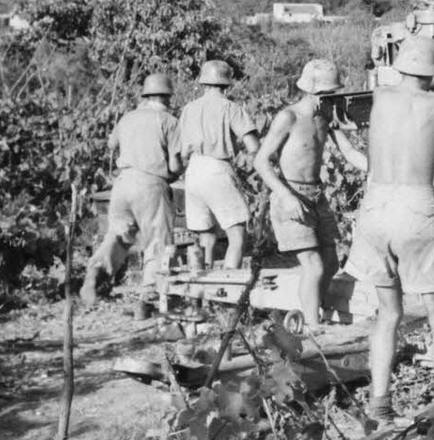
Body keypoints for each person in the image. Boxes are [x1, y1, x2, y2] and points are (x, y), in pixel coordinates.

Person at [346, 35, 434, 426]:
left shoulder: (380, 97)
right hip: (414, 205)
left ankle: (380, 402)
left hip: (374, 204)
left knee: (387, 314)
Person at [254, 59, 367, 333]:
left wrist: (379, 171)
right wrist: (286, 196)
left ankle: (315, 305)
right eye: (327, 95)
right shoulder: (288, 117)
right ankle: (312, 327)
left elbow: (349, 153)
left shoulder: (326, 116)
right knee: (313, 266)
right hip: (289, 196)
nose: (331, 100)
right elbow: (260, 161)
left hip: (317, 196)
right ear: (312, 92)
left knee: (329, 262)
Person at [81, 73, 182, 316]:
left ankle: (96, 270)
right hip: (151, 183)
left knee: (118, 234)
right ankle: (148, 298)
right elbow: (176, 165)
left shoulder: (127, 118)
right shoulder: (168, 120)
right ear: (167, 96)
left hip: (122, 182)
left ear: (145, 95)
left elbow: (110, 145)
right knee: (158, 241)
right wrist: (174, 173)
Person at [179, 60, 260, 270]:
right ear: (227, 84)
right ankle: (229, 286)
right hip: (217, 168)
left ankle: (202, 292)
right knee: (237, 233)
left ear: (203, 82)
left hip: (193, 170)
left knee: (206, 236)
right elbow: (253, 146)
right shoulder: (231, 107)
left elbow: (182, 146)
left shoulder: (189, 108)